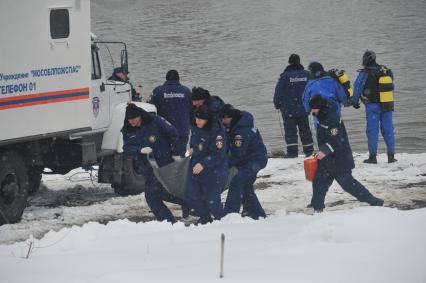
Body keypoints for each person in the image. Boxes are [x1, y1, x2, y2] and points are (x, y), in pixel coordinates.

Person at [308, 95, 384, 212]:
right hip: (327, 159)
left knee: (348, 184)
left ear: (320, 107)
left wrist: (323, 151)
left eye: (314, 108)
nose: (312, 111)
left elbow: (336, 142)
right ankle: (317, 206)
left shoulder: (332, 118)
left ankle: (374, 201)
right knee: (319, 181)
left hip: (339, 159)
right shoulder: (322, 114)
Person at [121, 103, 188, 223]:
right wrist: (139, 150)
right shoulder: (128, 129)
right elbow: (126, 147)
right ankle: (186, 202)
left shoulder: (154, 121)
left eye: (133, 119)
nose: (131, 122)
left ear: (139, 116)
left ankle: (168, 222)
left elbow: (173, 133)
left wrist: (176, 152)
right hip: (147, 167)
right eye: (129, 120)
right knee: (161, 193)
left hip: (164, 164)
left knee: (152, 196)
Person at [220, 104, 267, 219]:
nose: (222, 121)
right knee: (246, 186)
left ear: (228, 117)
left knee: (237, 182)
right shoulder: (236, 124)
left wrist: (223, 166)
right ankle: (256, 212)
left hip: (254, 161)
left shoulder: (240, 132)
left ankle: (230, 214)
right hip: (249, 160)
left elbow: (237, 154)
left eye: (222, 119)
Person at [352, 50, 396, 164]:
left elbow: (357, 87)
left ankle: (372, 157)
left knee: (372, 131)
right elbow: (392, 86)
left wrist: (355, 101)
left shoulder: (365, 73)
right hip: (387, 105)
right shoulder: (386, 71)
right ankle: (391, 157)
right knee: (388, 130)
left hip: (372, 105)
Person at [185, 106, 228, 224]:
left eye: (200, 119)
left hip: (213, 171)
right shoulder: (196, 126)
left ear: (207, 120)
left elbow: (218, 155)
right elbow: (198, 144)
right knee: (191, 195)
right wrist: (193, 150)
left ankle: (224, 222)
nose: (196, 121)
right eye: (196, 118)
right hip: (196, 167)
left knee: (212, 201)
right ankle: (205, 218)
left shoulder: (217, 132)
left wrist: (203, 164)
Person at [274, 54, 314, 158]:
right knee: (305, 130)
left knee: (290, 132)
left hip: (288, 110)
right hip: (303, 109)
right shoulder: (307, 74)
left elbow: (279, 92)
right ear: (299, 62)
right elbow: (312, 90)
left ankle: (292, 153)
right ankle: (309, 151)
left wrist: (277, 103)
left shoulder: (284, 76)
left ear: (289, 62)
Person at [150, 70, 192, 156]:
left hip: (164, 131)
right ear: (178, 79)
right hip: (182, 131)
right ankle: (180, 168)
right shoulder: (186, 91)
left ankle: (166, 169)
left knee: (164, 157)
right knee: (180, 157)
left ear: (166, 79)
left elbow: (151, 109)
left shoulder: (158, 91)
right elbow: (192, 110)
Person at [302, 61, 348, 127]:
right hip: (335, 115)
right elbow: (342, 96)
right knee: (337, 135)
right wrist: (345, 102)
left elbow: (305, 100)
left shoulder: (309, 85)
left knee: (321, 135)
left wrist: (308, 110)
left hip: (319, 118)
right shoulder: (332, 80)